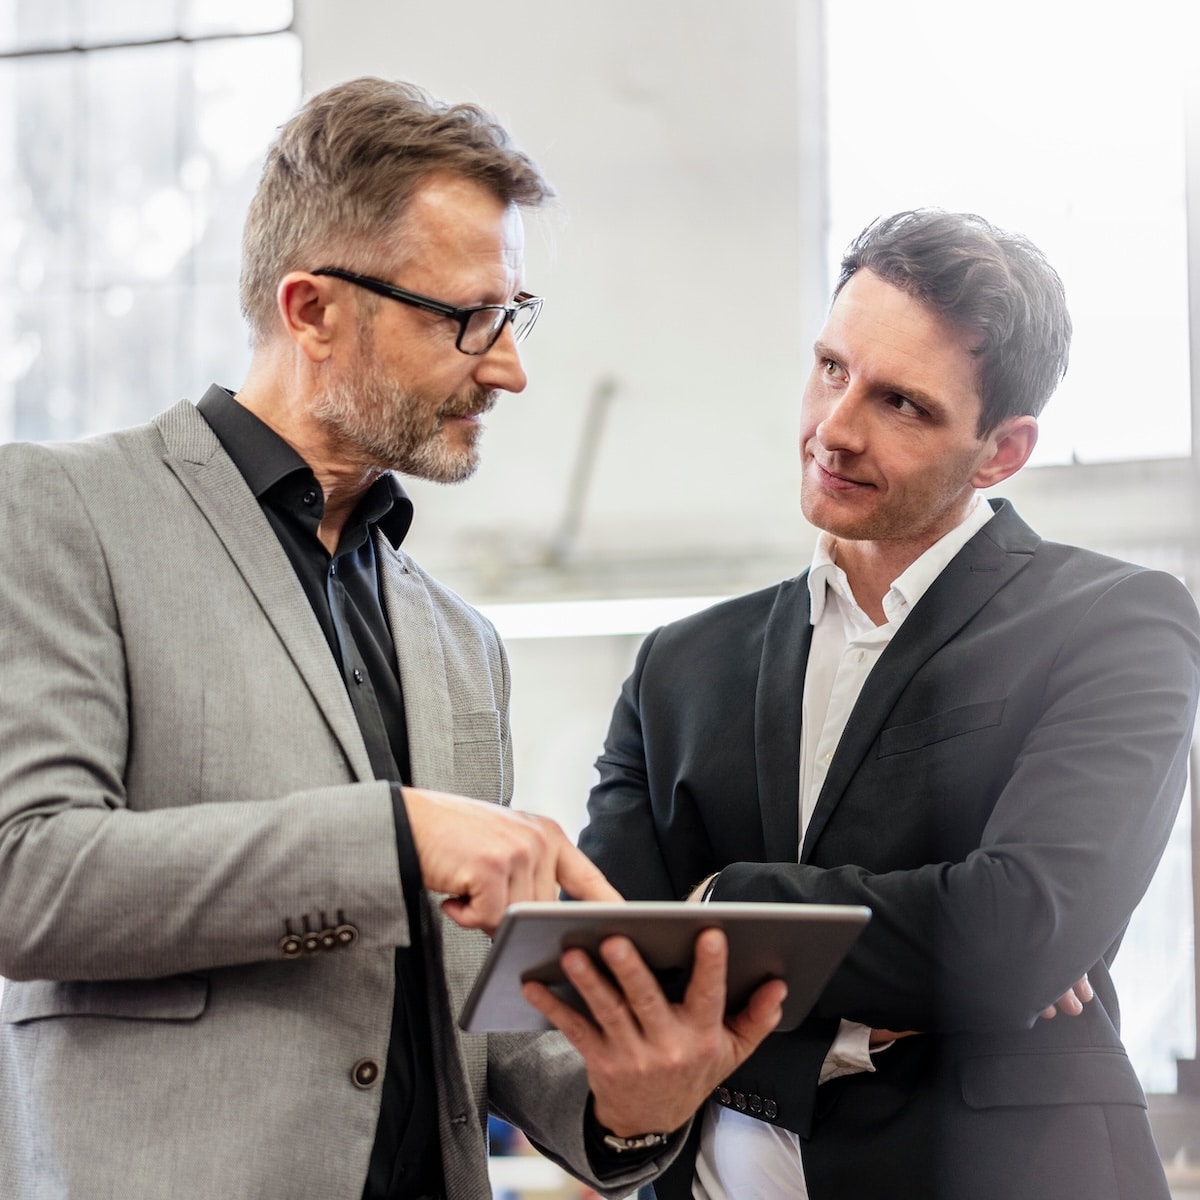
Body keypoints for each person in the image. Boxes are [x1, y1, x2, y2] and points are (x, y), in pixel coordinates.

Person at [0, 78, 785, 1200]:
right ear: (312, 309)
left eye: (515, 316)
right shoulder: (60, 511)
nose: (508, 366)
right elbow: (24, 875)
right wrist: (395, 838)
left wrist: (633, 1098)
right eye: (466, 318)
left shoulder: (460, 640)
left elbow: (485, 1034)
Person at [566, 209, 1200, 1199]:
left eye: (904, 404)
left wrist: (716, 906)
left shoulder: (1115, 625)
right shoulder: (679, 668)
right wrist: (895, 990)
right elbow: (608, 971)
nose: (837, 428)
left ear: (1002, 450)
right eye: (830, 368)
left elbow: (1013, 937)